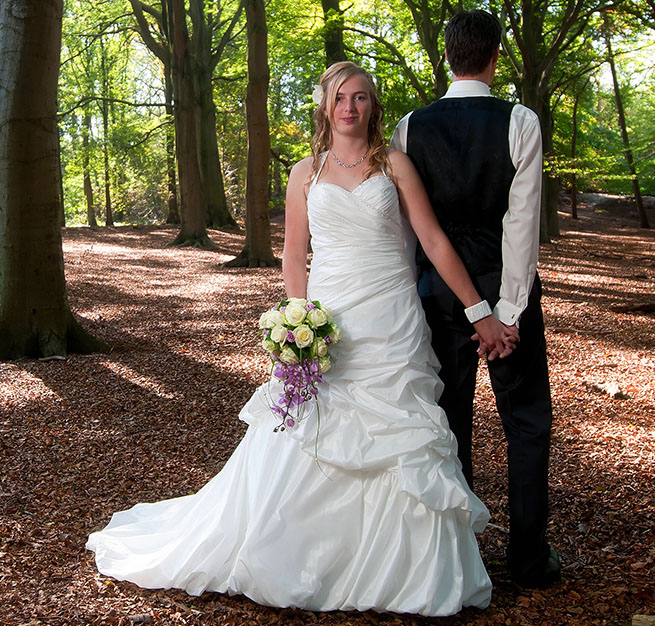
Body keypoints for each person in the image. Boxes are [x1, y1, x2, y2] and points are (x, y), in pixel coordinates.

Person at [86, 61, 516, 615]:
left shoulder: (396, 165)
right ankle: (300, 555)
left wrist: (479, 310)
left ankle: (403, 572)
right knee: (309, 431)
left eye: (361, 97)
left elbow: (432, 241)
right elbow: (293, 254)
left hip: (391, 318)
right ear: (325, 105)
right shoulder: (304, 172)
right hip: (329, 318)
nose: (351, 107)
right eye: (341, 96)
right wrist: (298, 321)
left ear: (373, 106)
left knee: (402, 434)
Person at [389, 9, 560, 589]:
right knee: (528, 422)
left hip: (437, 294)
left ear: (449, 56)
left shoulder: (410, 127)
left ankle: (457, 555)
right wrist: (505, 312)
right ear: (494, 57)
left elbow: (413, 230)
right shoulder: (520, 121)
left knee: (449, 420)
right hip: (501, 290)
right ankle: (528, 560)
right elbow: (521, 224)